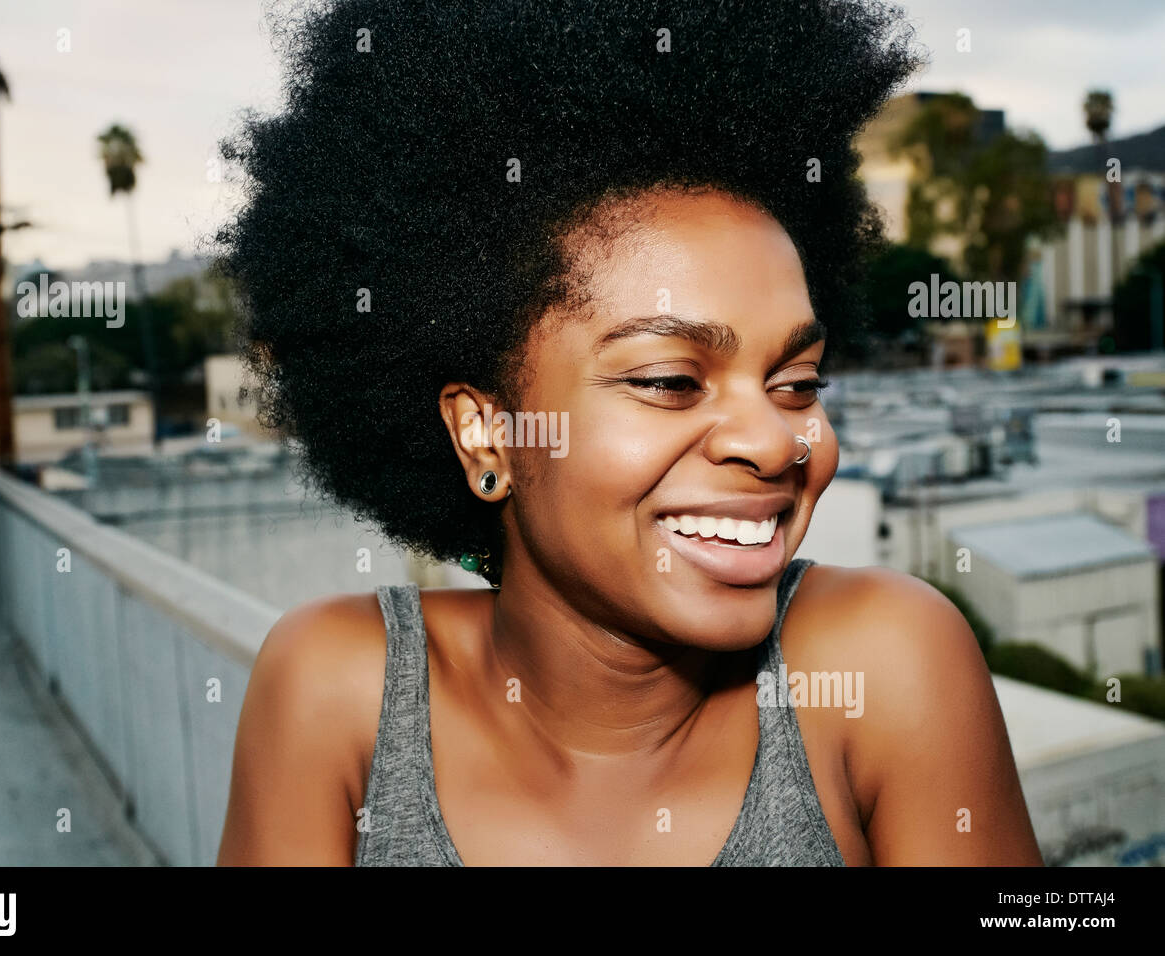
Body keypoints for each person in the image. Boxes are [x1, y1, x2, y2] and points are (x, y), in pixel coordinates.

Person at [214, 0, 1044, 866]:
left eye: (796, 383)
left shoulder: (885, 664)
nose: (774, 443)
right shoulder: (339, 692)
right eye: (670, 381)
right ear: (486, 434)